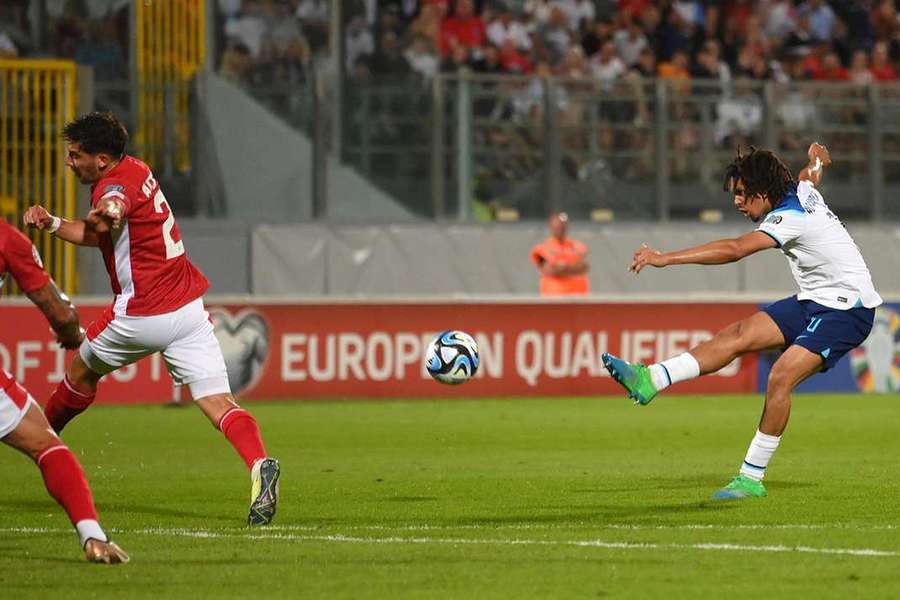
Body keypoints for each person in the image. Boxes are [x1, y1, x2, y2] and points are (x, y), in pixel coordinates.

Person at [23, 112, 280, 526]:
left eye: (75, 156)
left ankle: (39, 442)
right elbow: (100, 232)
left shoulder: (112, 188)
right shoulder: (136, 168)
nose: (70, 163)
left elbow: (113, 209)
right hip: (188, 309)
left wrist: (107, 211)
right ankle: (259, 464)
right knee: (218, 402)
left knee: (81, 373)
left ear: (101, 159)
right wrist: (54, 223)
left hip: (141, 312)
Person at [602, 142, 880, 500]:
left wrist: (664, 258)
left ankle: (751, 477)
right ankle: (651, 378)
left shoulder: (790, 217)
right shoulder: (802, 191)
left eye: (743, 194)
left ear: (764, 193)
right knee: (737, 334)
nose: (737, 201)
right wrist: (816, 159)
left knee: (780, 376)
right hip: (815, 300)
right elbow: (809, 176)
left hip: (849, 309)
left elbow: (735, 250)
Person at [0, 220, 128, 563]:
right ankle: (92, 535)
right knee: (46, 444)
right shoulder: (7, 239)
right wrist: (71, 333)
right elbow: (59, 312)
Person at [530, 212, 590, 296]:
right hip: (554, 298)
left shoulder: (577, 246)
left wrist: (562, 267)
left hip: (578, 297)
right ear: (551, 227)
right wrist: (572, 268)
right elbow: (549, 270)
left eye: (563, 226)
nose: (561, 229)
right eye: (558, 226)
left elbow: (584, 268)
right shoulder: (542, 248)